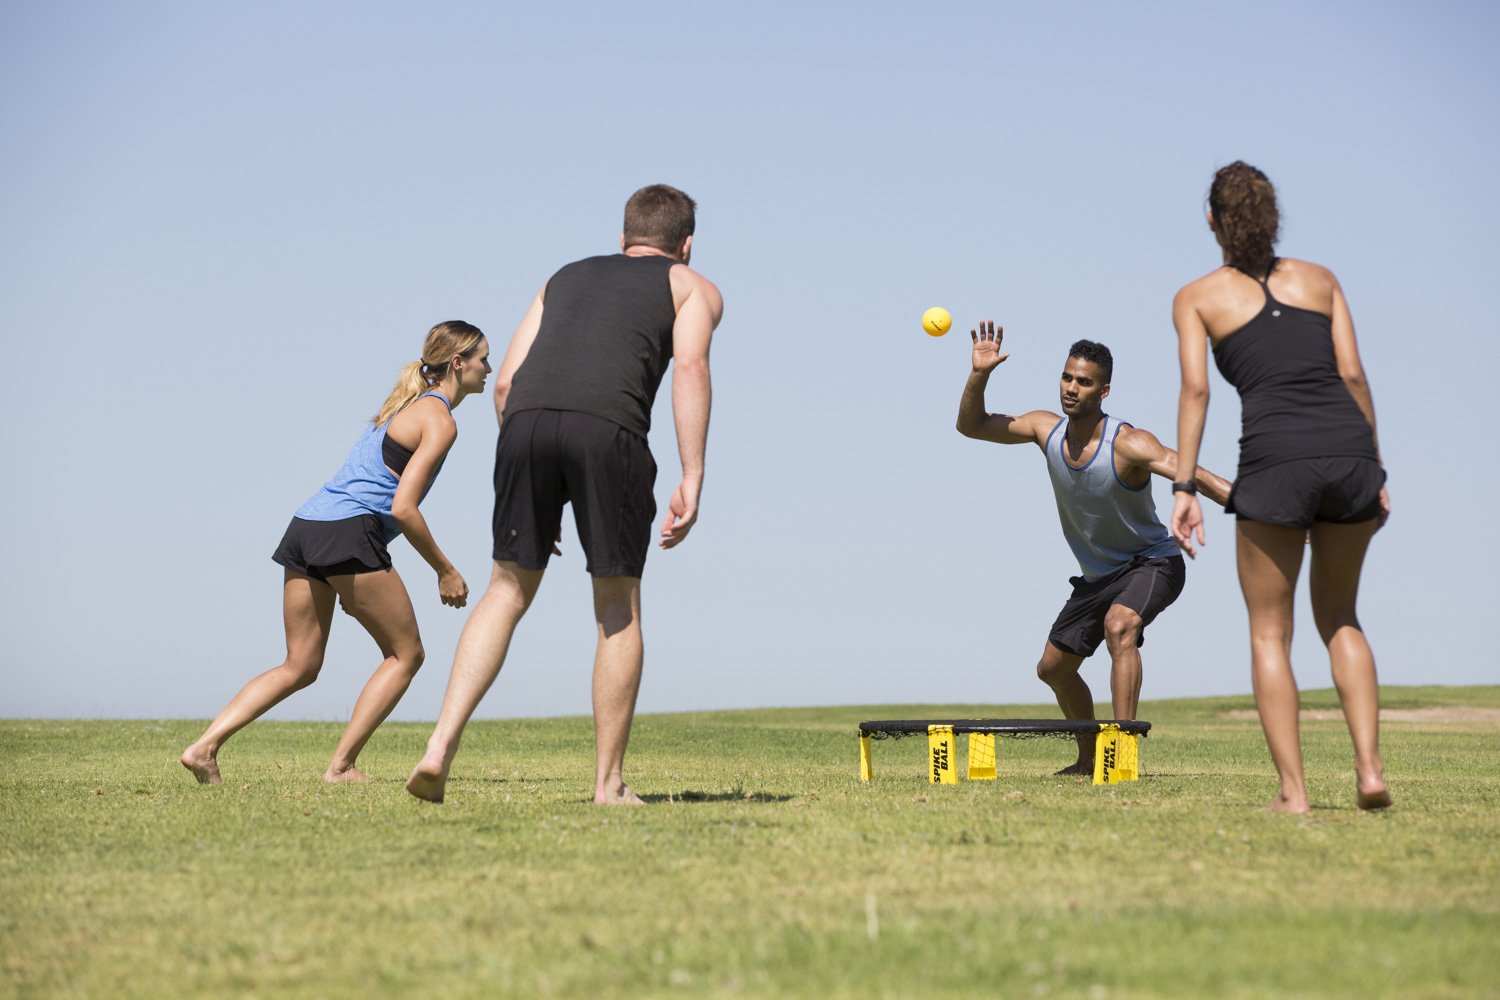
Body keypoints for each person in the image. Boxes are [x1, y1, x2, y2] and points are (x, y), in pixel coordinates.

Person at [406, 184, 724, 805]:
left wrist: (538, 477)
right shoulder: (692, 286)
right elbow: (690, 368)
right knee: (617, 605)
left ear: (624, 236)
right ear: (685, 244)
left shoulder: (564, 277)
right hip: (611, 432)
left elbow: (503, 386)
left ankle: (439, 748)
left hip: (524, 426)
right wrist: (693, 474)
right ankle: (608, 785)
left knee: (505, 589)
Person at [1169, 161, 1391, 814]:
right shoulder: (1321, 280)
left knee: (1270, 632)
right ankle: (1370, 770)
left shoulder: (1197, 297)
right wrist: (1374, 468)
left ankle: (1295, 794)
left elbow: (1196, 390)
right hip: (1350, 454)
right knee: (1342, 617)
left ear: (1212, 220)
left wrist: (1184, 483)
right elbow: (1352, 375)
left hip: (1274, 463)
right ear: (1273, 217)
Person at [181, 321, 491, 784]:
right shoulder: (439, 419)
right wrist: (445, 570)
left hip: (307, 528)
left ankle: (203, 748)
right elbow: (403, 509)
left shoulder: (402, 404)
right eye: (484, 358)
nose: (490, 369)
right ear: (458, 363)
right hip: (349, 533)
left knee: (299, 664)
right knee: (406, 655)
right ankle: (341, 767)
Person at [957, 324, 1231, 773]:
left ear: (1104, 391)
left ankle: (1119, 758)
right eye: (1067, 377)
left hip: (1153, 562)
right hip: (1097, 576)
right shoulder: (1045, 429)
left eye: (1084, 382)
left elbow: (1195, 473)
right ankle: (1088, 760)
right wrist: (979, 374)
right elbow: (971, 427)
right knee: (1053, 670)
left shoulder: (1128, 443)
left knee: (1120, 626)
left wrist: (1265, 510)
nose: (1071, 388)